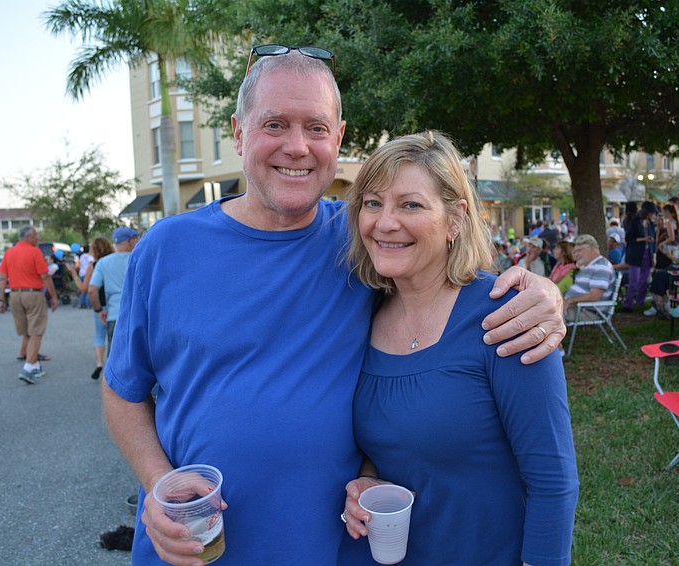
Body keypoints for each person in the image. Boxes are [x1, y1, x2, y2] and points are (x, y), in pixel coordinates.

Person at [101, 47, 567, 566]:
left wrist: (544, 293)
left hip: (325, 549)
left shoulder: (362, 243)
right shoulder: (166, 248)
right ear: (238, 132)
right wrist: (156, 479)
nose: (297, 147)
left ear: (338, 137)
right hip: (194, 547)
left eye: (316, 128)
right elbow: (123, 391)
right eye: (275, 124)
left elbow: (444, 270)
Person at [339, 131, 578, 564]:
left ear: (455, 219)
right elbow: (393, 439)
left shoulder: (506, 316)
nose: (385, 222)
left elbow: (553, 480)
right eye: (373, 203)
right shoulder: (362, 310)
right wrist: (366, 478)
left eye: (410, 204)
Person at [0, 226, 58, 384]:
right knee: (36, 331)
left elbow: (2, 278)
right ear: (29, 237)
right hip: (33, 294)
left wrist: (2, 300)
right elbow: (45, 276)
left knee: (27, 332)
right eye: (36, 235)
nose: (38, 238)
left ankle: (35, 364)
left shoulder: (9, 252)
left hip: (15, 295)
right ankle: (28, 367)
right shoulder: (34, 252)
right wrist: (53, 296)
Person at [65, 237, 115, 379]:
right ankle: (114, 367)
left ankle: (99, 363)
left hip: (100, 304)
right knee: (115, 336)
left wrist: (74, 274)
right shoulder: (116, 261)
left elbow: (84, 288)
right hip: (116, 304)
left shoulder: (94, 266)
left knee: (100, 335)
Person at [89, 228, 138, 355]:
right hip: (138, 316)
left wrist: (99, 310)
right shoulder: (139, 259)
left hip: (115, 315)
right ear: (130, 241)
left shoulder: (103, 262)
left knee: (114, 361)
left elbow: (92, 290)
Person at [562, 234, 616, 322]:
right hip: (576, 307)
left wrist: (569, 300)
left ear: (592, 249)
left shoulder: (601, 267)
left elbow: (595, 296)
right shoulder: (588, 266)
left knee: (546, 313)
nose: (576, 255)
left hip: (587, 312)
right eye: (575, 251)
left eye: (579, 250)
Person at [622, 201, 657, 312]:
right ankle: (628, 303)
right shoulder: (635, 222)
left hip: (648, 254)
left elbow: (654, 242)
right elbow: (629, 239)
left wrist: (654, 255)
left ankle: (640, 301)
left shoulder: (651, 224)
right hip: (635, 254)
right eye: (652, 212)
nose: (653, 215)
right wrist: (644, 239)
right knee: (634, 280)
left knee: (644, 281)